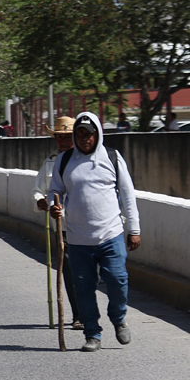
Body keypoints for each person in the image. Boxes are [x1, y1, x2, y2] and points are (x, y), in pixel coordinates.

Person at [49, 112, 140, 353]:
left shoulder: (112, 157)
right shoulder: (65, 160)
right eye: (79, 133)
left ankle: (118, 318)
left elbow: (128, 196)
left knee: (118, 280)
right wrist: (53, 206)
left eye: (88, 134)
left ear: (97, 134)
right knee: (83, 288)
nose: (84, 138)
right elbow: (54, 190)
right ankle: (92, 334)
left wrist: (134, 229)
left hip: (111, 234)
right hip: (78, 238)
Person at [33, 116, 81, 330]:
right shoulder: (50, 163)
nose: (62, 141)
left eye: (66, 137)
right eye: (58, 137)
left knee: (88, 272)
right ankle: (79, 314)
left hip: (87, 226)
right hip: (62, 227)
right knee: (69, 270)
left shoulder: (85, 161)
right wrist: (40, 202)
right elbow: (38, 190)